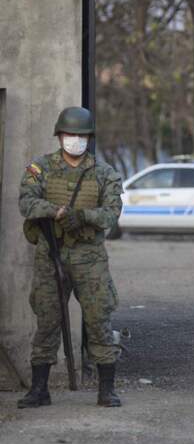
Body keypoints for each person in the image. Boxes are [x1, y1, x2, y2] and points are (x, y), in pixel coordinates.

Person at [17, 107, 123, 408]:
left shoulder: (104, 173)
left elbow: (112, 214)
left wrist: (83, 216)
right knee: (47, 321)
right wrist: (57, 212)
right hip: (51, 255)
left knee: (99, 321)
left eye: (81, 135)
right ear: (59, 135)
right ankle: (40, 390)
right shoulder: (41, 168)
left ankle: (106, 389)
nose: (74, 139)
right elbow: (26, 202)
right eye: (69, 134)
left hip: (90, 259)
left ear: (89, 138)